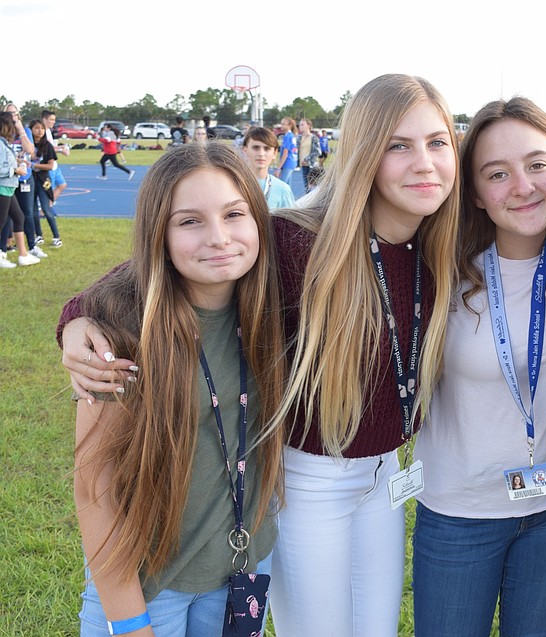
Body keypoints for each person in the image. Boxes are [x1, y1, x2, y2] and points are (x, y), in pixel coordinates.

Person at [57, 73, 461, 637]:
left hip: (384, 476)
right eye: (398, 144)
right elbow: (161, 264)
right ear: (365, 150)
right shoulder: (297, 240)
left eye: (438, 141)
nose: (423, 162)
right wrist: (76, 318)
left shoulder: (448, 242)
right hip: (309, 478)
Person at [412, 97, 546, 637]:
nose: (523, 186)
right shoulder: (438, 265)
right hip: (459, 511)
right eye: (497, 174)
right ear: (477, 195)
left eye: (536, 164)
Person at [73, 142, 286, 636]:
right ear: (159, 234)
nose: (219, 237)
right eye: (189, 221)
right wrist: (129, 624)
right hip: (147, 588)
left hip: (242, 574)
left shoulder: (278, 308)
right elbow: (94, 486)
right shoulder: (123, 328)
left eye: (234, 214)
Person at [0, 103, 50, 261]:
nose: (12, 117)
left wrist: (20, 129)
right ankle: (4, 250)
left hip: (21, 179)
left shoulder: (23, 131)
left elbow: (30, 150)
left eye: (15, 113)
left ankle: (29, 248)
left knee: (24, 214)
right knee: (5, 218)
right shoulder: (3, 136)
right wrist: (15, 167)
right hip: (7, 181)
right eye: (9, 114)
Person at [240, 126, 295, 210]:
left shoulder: (283, 190)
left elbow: (290, 222)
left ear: (275, 153)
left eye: (267, 148)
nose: (261, 153)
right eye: (256, 148)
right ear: (245, 150)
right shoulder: (234, 185)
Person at [28, 119, 62, 247]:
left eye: (42, 128)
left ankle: (56, 236)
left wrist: (34, 165)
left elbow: (50, 166)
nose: (40, 130)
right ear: (31, 130)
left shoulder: (47, 146)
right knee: (32, 211)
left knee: (46, 209)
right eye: (36, 128)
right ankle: (39, 235)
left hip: (43, 180)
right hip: (30, 180)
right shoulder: (28, 145)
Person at [297, 117, 321, 192]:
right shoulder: (299, 138)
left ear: (308, 126)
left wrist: (306, 159)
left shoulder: (314, 138)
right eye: (300, 125)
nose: (300, 126)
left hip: (311, 165)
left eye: (302, 124)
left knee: (313, 187)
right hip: (303, 165)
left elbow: (318, 151)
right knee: (306, 187)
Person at [274, 117, 298, 187]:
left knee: (282, 185)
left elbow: (285, 154)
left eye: (283, 124)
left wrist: (278, 168)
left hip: (288, 163)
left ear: (289, 125)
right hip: (291, 162)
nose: (281, 125)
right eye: (281, 124)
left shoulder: (288, 136)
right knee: (287, 186)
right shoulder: (290, 135)